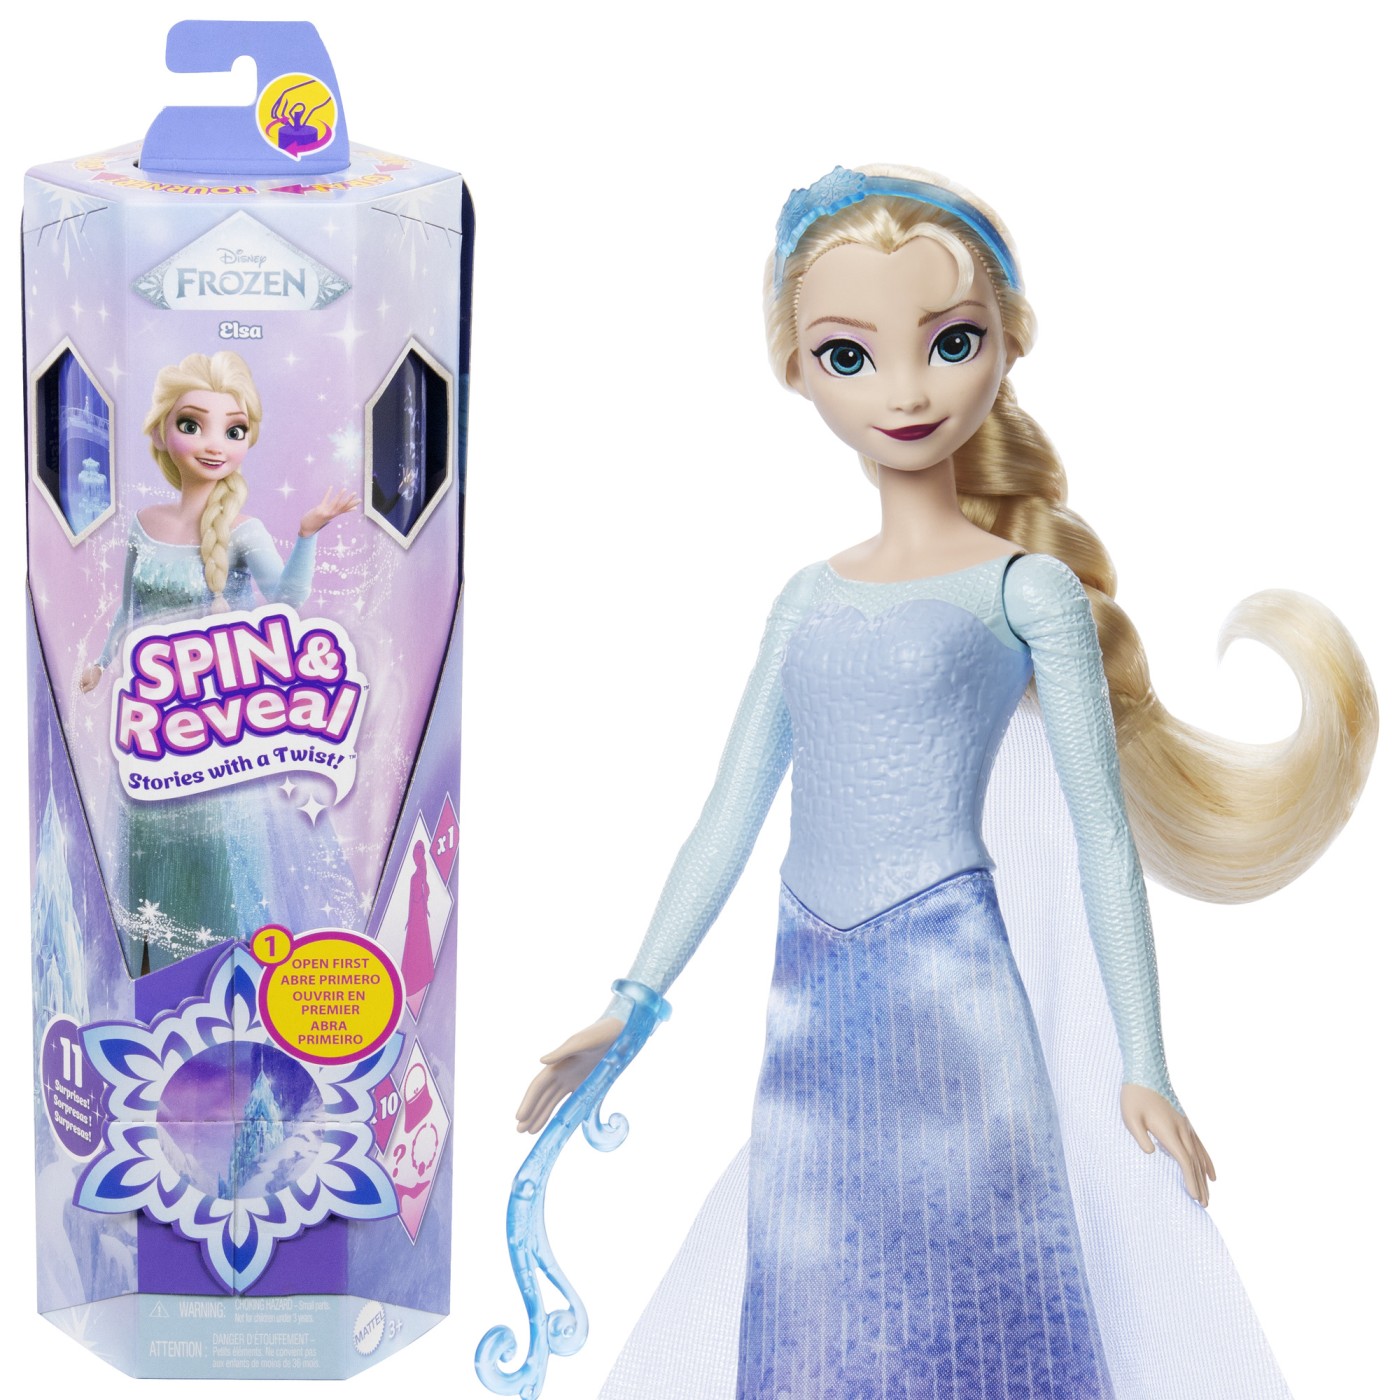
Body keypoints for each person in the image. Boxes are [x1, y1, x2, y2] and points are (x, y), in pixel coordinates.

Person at [514, 167, 1377, 1398]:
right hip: (809, 992)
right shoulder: (806, 597)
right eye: (849, 355)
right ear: (796, 368)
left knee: (976, 1289)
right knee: (811, 1283)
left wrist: (1144, 1061)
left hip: (948, 985)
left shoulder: (1023, 591)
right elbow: (726, 817)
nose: (906, 390)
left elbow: (1099, 836)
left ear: (1003, 344)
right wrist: (631, 1004)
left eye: (949, 342)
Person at [80, 350, 359, 975]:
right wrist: (100, 662)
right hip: (153, 727)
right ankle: (152, 982)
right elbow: (127, 609)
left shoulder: (244, 531)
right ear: (161, 432)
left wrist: (308, 533)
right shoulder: (143, 525)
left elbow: (286, 600)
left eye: (233, 430)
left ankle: (231, 986)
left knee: (223, 862)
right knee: (150, 858)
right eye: (192, 425)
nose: (213, 444)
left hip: (214, 730)